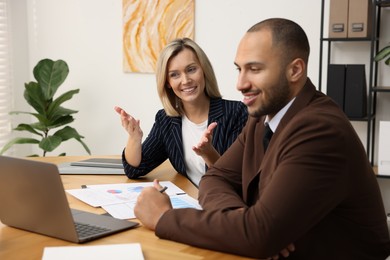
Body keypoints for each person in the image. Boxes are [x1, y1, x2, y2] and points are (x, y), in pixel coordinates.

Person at [133, 18, 390, 259]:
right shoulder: (261, 117)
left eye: (254, 69)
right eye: (239, 69)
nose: (240, 84)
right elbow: (216, 177)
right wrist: (244, 227)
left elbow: (259, 234)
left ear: (295, 70)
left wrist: (164, 217)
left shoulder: (320, 130)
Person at [115, 38, 248, 187]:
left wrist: (209, 153)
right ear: (167, 83)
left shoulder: (236, 113)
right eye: (174, 75)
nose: (185, 80)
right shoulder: (166, 120)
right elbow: (135, 170)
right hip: (192, 200)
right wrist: (134, 137)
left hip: (226, 202)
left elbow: (235, 178)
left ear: (204, 70)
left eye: (191, 69)